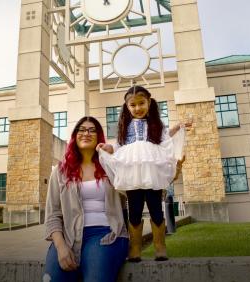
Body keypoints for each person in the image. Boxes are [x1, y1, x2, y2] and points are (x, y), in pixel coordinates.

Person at [97, 85, 188, 262]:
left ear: (149, 102)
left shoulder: (156, 125)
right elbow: (118, 146)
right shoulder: (124, 126)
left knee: (155, 208)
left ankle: (160, 246)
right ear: (127, 107)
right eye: (133, 105)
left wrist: (176, 128)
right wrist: (107, 147)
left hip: (151, 172)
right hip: (132, 174)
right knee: (135, 209)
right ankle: (136, 247)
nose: (137, 108)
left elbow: (164, 140)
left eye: (141, 103)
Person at [44, 116, 129, 282]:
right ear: (75, 136)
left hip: (106, 233)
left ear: (99, 137)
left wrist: (111, 160)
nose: (86, 133)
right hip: (68, 235)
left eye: (92, 130)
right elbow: (52, 214)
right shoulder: (61, 171)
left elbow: (132, 191)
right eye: (81, 129)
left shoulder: (110, 165)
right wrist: (60, 246)